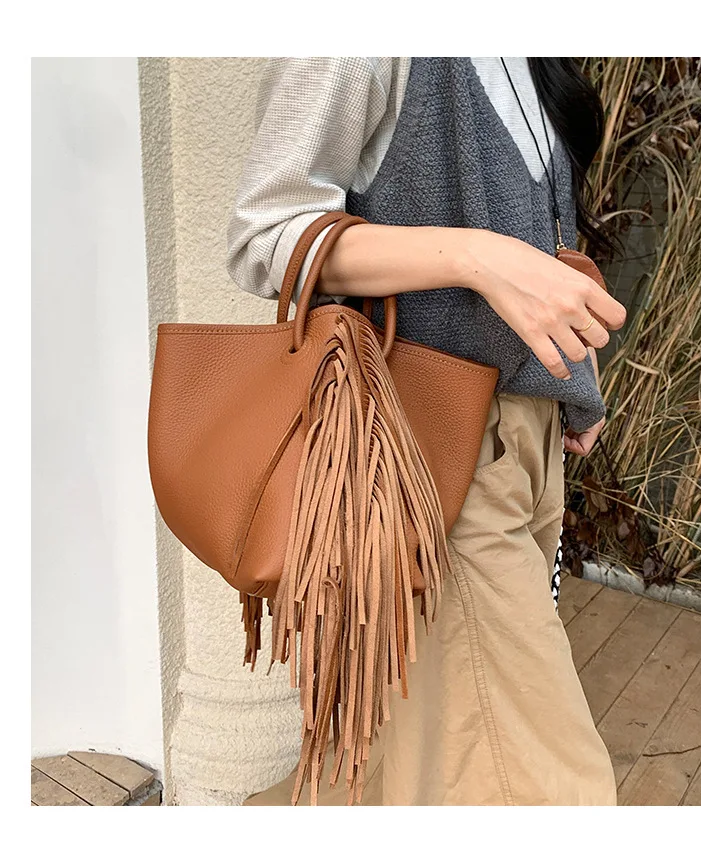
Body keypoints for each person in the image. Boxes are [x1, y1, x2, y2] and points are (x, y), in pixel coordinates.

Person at [226, 56, 627, 806]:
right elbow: (267, 236)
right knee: (545, 790)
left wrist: (572, 379)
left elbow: (534, 240)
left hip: (524, 443)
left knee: (422, 763)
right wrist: (475, 257)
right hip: (428, 462)